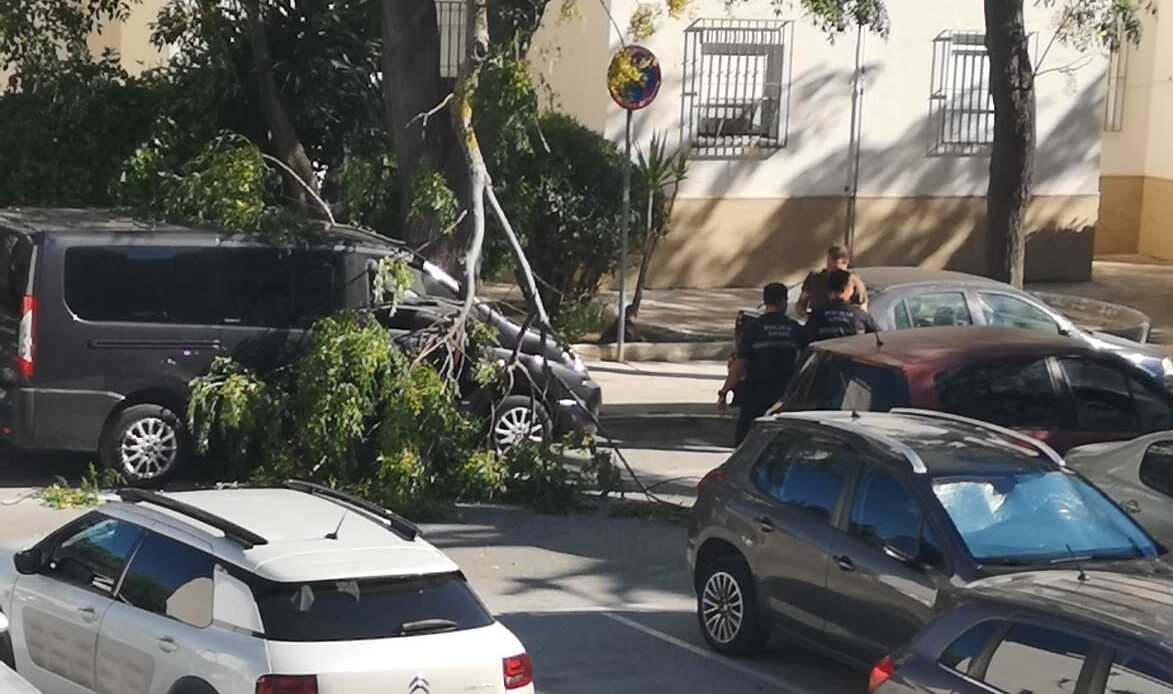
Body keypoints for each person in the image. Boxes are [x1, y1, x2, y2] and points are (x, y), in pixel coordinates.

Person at [718, 283, 806, 446]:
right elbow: (806, 361)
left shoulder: (754, 329)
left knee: (745, 443)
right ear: (784, 302)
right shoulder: (795, 329)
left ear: (765, 301)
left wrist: (724, 391)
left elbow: (740, 365)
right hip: (784, 395)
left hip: (755, 393)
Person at [805, 269, 880, 342]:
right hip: (853, 354)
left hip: (825, 354)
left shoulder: (817, 315)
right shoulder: (861, 315)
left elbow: (805, 340)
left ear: (829, 289)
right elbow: (881, 338)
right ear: (849, 290)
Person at [797, 245, 868, 315]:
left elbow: (862, 309)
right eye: (828, 264)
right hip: (818, 321)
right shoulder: (814, 278)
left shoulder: (854, 282)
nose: (831, 271)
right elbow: (801, 302)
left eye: (835, 268)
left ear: (846, 263)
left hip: (842, 321)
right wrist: (805, 316)